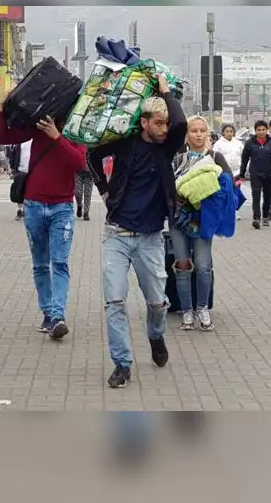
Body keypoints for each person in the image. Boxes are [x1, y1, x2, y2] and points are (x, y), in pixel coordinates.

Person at [88, 75, 187, 389]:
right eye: (158, 123)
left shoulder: (167, 146)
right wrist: (103, 191)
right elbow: (91, 155)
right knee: (114, 302)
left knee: (158, 303)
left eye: (165, 123)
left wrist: (166, 93)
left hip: (150, 239)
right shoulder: (125, 142)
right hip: (116, 234)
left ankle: (156, 337)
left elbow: (182, 124)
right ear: (144, 123)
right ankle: (122, 364)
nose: (164, 128)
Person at [0, 101, 86, 339]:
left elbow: (79, 162)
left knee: (60, 263)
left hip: (62, 208)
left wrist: (57, 136)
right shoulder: (36, 126)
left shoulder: (76, 131)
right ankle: (47, 313)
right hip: (34, 205)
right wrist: (0, 111)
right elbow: (3, 137)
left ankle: (58, 316)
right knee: (40, 264)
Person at [170, 115, 230, 331]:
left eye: (201, 131)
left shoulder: (215, 158)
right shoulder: (177, 159)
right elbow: (167, 188)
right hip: (178, 220)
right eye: (193, 130)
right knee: (183, 266)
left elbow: (227, 184)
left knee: (204, 267)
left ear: (207, 134)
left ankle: (202, 308)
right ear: (187, 133)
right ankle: (186, 311)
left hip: (203, 222)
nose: (197, 134)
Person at [237, 120, 271, 229]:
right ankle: (256, 218)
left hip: (269, 174)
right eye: (259, 130)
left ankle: (266, 217)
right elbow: (244, 159)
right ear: (255, 130)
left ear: (267, 130)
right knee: (256, 196)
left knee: (267, 197)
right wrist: (242, 174)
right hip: (255, 174)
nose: (261, 132)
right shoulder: (250, 143)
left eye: (263, 129)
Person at [212, 123, 244, 220]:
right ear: (223, 132)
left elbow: (244, 156)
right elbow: (214, 157)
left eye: (231, 131)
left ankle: (235, 211)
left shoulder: (239, 143)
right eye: (227, 131)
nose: (229, 133)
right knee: (225, 192)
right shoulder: (218, 144)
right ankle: (224, 212)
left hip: (236, 172)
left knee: (236, 191)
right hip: (224, 173)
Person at [7, 139, 32, 219]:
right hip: (20, 170)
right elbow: (12, 154)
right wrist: (12, 167)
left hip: (32, 170)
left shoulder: (36, 140)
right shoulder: (19, 141)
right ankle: (20, 209)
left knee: (30, 191)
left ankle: (29, 210)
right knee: (19, 191)